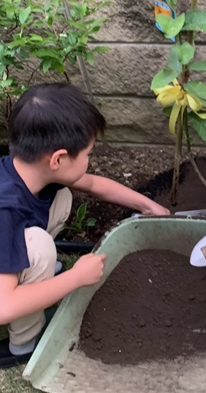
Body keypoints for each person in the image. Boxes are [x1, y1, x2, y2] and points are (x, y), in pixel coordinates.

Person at [0, 83, 170, 368]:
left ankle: (33, 275)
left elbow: (92, 184)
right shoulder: (5, 212)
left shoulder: (27, 169)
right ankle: (24, 343)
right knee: (39, 249)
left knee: (62, 197)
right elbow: (4, 307)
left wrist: (149, 206)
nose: (90, 160)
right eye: (89, 153)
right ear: (58, 159)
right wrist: (75, 278)